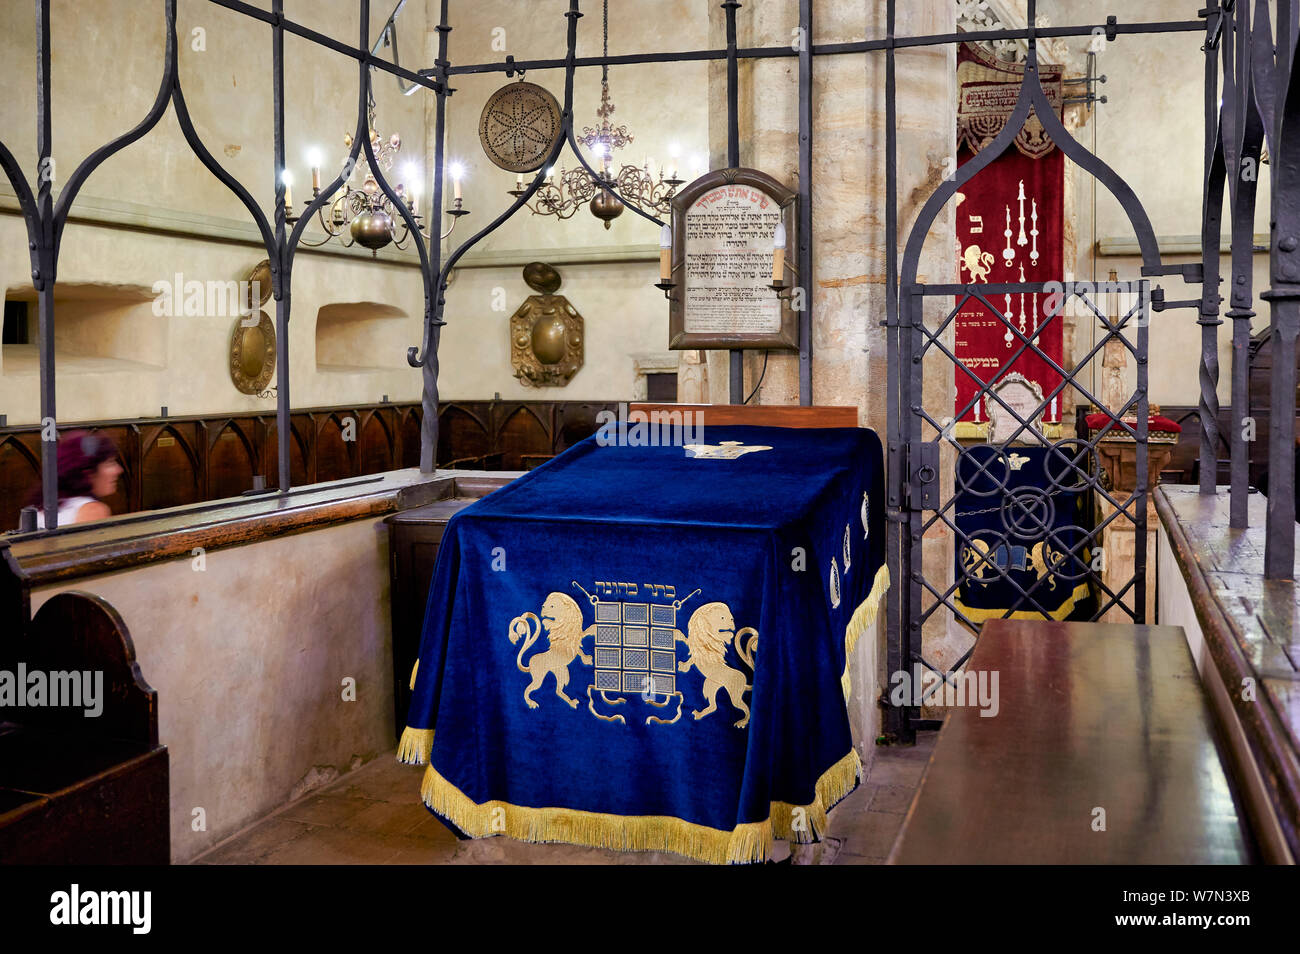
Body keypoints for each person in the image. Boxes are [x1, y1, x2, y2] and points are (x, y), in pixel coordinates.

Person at [26, 431, 123, 528]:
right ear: (88, 472)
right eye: (110, 463)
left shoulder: (37, 507)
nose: (118, 470)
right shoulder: (93, 511)